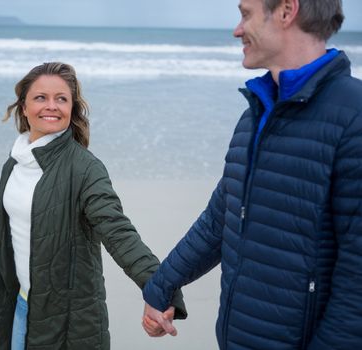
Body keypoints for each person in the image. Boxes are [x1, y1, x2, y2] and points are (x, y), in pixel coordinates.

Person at [142, 0, 362, 348]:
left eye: (246, 14)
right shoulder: (256, 114)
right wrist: (161, 285)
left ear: (287, 11)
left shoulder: (354, 117)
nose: (237, 29)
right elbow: (220, 219)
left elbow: (357, 284)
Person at [0, 62, 186, 350]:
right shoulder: (15, 163)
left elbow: (118, 231)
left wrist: (159, 290)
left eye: (61, 98)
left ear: (72, 108)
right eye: (40, 98)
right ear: (24, 107)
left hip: (68, 320)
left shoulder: (85, 168)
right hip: (20, 306)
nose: (52, 106)